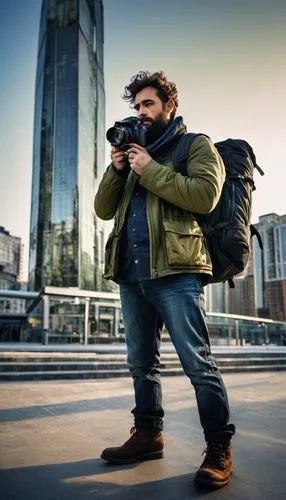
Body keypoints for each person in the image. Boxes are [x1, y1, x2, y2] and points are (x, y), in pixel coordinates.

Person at [94, 71, 235, 489]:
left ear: (169, 105)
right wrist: (118, 170)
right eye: (136, 106)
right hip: (131, 273)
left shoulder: (195, 145)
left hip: (177, 272)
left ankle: (218, 447)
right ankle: (148, 434)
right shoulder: (133, 155)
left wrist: (151, 168)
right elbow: (104, 210)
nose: (141, 112)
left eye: (148, 104)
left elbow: (204, 195)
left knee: (198, 363)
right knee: (141, 364)